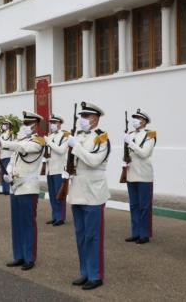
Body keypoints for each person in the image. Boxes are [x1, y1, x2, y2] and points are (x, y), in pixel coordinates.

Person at [0, 111, 45, 271]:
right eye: (24, 123)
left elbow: (20, 148)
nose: (25, 126)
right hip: (15, 187)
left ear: (36, 125)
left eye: (29, 123)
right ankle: (18, 255)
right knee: (17, 224)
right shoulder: (21, 140)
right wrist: (9, 173)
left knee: (27, 224)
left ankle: (29, 257)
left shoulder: (38, 142)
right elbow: (13, 159)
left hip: (28, 188)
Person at [66, 102, 110, 290]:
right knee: (81, 235)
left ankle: (95, 275)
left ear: (95, 119)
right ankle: (84, 272)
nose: (83, 120)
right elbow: (73, 162)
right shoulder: (79, 137)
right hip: (77, 192)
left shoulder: (102, 138)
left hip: (93, 193)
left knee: (93, 236)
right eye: (81, 116)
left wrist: (75, 147)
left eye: (86, 117)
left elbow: (93, 161)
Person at [123, 109, 156, 244]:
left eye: (138, 118)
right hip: (131, 173)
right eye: (134, 118)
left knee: (144, 206)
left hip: (144, 175)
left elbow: (144, 153)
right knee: (134, 205)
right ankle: (135, 232)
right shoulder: (130, 134)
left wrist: (130, 143)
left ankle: (144, 234)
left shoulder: (150, 135)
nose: (135, 120)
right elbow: (129, 155)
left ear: (144, 121)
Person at [44, 114, 69, 226]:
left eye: (54, 123)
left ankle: (60, 217)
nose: (52, 125)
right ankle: (55, 216)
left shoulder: (65, 136)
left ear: (60, 123)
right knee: (52, 195)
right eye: (51, 123)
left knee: (59, 195)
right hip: (50, 169)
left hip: (59, 169)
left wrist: (49, 142)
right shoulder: (49, 135)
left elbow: (61, 151)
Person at [0, 120, 14, 195]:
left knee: (7, 172)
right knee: (2, 172)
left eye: (5, 124)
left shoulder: (10, 134)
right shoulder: (1, 134)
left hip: (8, 155)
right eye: (3, 124)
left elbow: (10, 144)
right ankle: (4, 189)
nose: (3, 125)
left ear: (8, 125)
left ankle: (7, 189)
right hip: (2, 156)